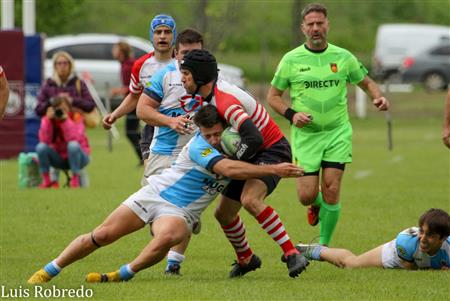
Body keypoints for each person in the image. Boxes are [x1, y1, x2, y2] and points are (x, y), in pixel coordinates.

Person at [27, 105, 304, 284]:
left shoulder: (232, 141)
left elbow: (245, 148)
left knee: (169, 236)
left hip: (181, 211)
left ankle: (121, 275)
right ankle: (49, 270)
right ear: (199, 131)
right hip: (155, 193)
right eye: (209, 135)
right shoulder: (198, 146)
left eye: (218, 133)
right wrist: (273, 169)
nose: (215, 140)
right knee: (102, 235)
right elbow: (228, 168)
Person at [267, 3, 389, 247]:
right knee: (306, 195)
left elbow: (365, 82)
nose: (315, 28)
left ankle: (322, 245)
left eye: (319, 24)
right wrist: (292, 115)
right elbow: (273, 97)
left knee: (332, 189)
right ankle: (315, 204)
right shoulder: (291, 60)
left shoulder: (343, 57)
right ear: (303, 28)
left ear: (327, 25)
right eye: (310, 24)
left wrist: (378, 96)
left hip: (337, 133)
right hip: (306, 137)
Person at [180, 49, 309, 278]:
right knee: (223, 214)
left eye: (186, 74)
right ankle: (246, 258)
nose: (182, 79)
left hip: (271, 150)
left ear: (200, 77)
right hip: (251, 152)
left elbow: (254, 138)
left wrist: (232, 163)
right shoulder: (210, 97)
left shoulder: (224, 101)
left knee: (250, 199)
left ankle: (291, 253)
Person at [136, 28, 204, 274]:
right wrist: (170, 121)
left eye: (195, 53)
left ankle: (173, 264)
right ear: (176, 53)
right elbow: (142, 111)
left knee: (181, 211)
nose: (189, 59)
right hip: (163, 153)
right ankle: (176, 226)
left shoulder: (211, 78)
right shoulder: (164, 76)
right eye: (185, 53)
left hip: (197, 155)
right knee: (153, 212)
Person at [102, 14, 177, 169]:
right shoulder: (141, 65)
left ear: (174, 36)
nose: (162, 36)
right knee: (152, 180)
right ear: (152, 36)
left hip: (182, 126)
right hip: (153, 128)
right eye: (158, 32)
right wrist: (114, 115)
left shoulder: (183, 63)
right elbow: (135, 96)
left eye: (167, 32)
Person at [296, 208, 450, 270]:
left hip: (414, 259)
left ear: (443, 238)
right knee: (351, 264)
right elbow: (411, 269)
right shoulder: (407, 242)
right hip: (397, 256)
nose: (422, 238)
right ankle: (310, 250)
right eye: (421, 231)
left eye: (430, 235)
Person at [36, 96, 90, 188]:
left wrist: (65, 121)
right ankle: (47, 180)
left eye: (64, 108)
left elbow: (74, 139)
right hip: (59, 158)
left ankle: (75, 181)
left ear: (69, 108)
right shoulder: (49, 120)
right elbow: (45, 141)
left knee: (73, 145)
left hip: (80, 157)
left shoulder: (75, 117)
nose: (61, 111)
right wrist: (47, 120)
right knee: (41, 147)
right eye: (58, 109)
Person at [35, 51, 95, 118]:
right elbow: (38, 110)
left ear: (70, 65)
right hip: (53, 126)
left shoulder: (78, 83)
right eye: (59, 63)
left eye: (65, 63)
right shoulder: (48, 84)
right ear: (55, 66)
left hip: (75, 125)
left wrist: (72, 100)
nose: (62, 66)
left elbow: (90, 105)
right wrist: (53, 101)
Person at [110, 41, 142, 164]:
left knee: (131, 132)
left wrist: (118, 91)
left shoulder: (128, 66)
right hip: (132, 102)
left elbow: (133, 87)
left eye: (115, 48)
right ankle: (143, 154)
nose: (113, 51)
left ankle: (143, 155)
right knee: (133, 132)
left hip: (133, 103)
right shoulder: (124, 64)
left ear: (121, 51)